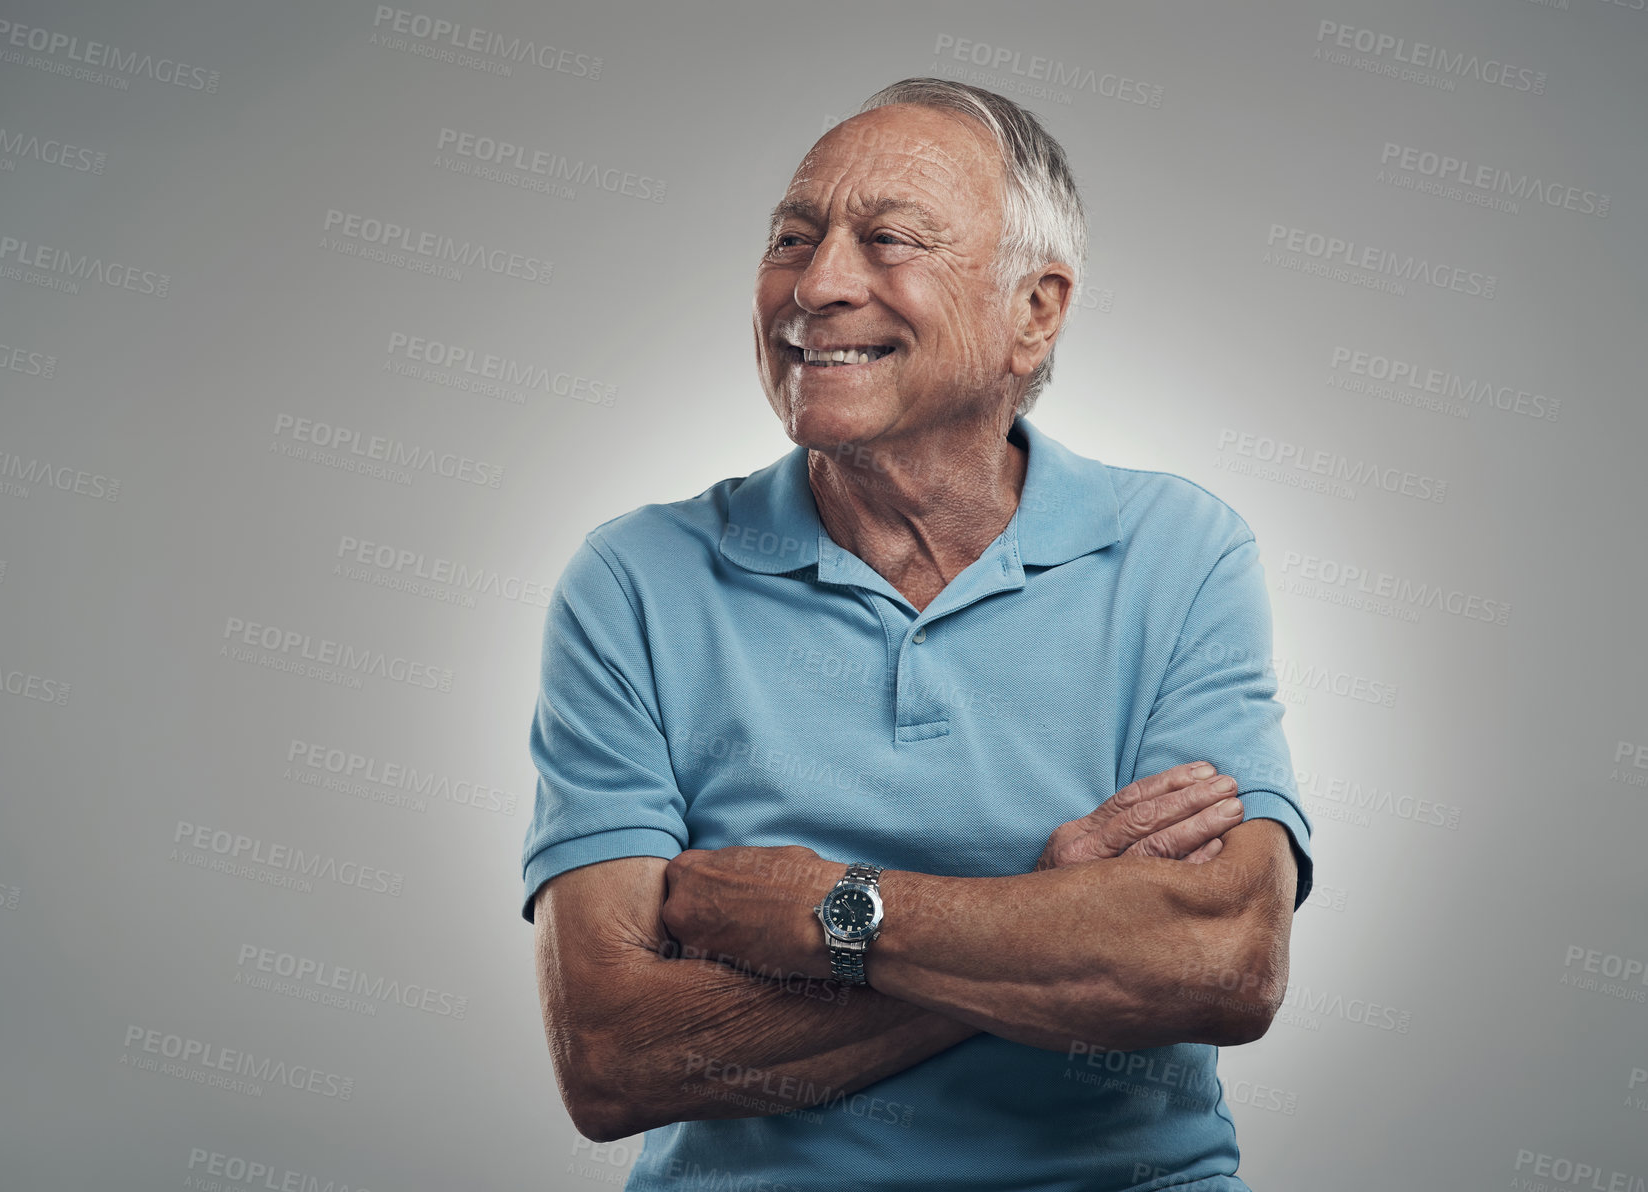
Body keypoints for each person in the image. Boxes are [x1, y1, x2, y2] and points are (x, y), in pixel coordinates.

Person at [522, 77, 1312, 1191]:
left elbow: (1222, 962)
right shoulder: (634, 579)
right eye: (792, 237)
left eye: (886, 239)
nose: (815, 284)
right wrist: (1045, 915)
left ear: (1031, 313)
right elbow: (614, 1057)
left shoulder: (1179, 551)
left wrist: (825, 915)